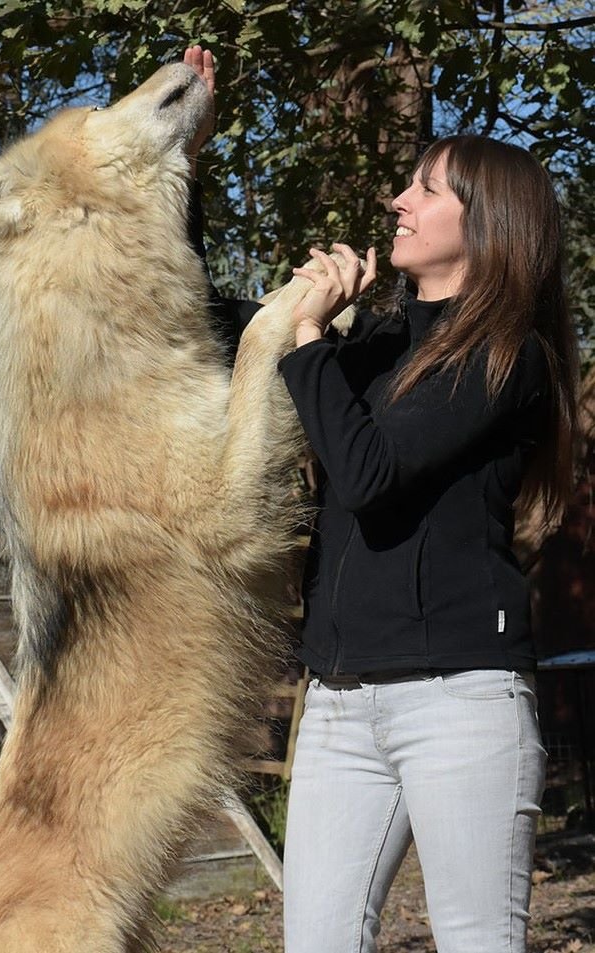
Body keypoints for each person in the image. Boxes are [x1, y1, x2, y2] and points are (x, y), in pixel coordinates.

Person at [183, 45, 580, 953]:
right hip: (340, 703)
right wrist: (185, 164)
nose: (398, 202)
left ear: (491, 225)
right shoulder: (382, 340)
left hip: (459, 706)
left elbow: (366, 473)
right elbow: (216, 324)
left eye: (427, 190)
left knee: (480, 940)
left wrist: (313, 335)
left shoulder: (508, 357)